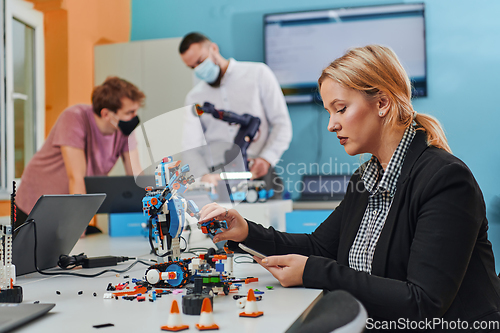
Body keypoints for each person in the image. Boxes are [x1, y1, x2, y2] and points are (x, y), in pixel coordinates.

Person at [198, 45, 500, 328]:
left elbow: (423, 302)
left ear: (382, 103)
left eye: (340, 109)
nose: (331, 124)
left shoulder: (445, 180)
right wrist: (247, 231)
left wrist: (314, 270)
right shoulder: (366, 179)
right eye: (329, 112)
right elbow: (320, 247)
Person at [15, 77, 144, 228]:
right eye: (130, 112)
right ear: (106, 114)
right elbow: (76, 177)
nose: (134, 117)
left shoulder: (123, 130)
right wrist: (78, 228)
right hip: (35, 202)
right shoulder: (74, 117)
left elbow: (136, 175)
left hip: (67, 206)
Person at [178, 32, 292, 193]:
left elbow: (282, 124)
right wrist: (204, 176)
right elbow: (191, 146)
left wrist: (267, 158)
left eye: (200, 61)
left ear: (214, 48)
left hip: (258, 171)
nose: (198, 69)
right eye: (192, 67)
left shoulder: (258, 74)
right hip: (218, 180)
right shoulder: (194, 97)